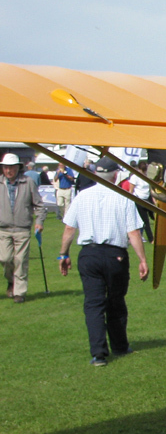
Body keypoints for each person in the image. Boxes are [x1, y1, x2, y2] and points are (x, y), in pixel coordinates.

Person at [58, 157, 149, 366]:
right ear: (116, 175)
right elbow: (133, 232)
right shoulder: (123, 197)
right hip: (115, 254)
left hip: (89, 254)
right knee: (115, 301)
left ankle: (98, 353)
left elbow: (69, 228)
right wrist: (142, 259)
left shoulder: (82, 196)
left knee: (93, 304)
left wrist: (63, 254)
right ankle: (119, 345)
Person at [2, 153, 48, 303]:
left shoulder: (27, 182)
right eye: (6, 167)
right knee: (5, 259)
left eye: (12, 167)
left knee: (21, 260)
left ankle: (19, 293)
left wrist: (39, 221)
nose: (9, 170)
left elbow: (39, 205)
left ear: (18, 168)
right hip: (3, 229)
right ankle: (11, 281)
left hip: (22, 228)